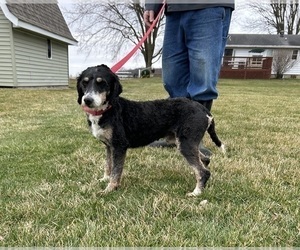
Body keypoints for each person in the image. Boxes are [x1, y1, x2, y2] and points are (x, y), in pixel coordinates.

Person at [143, 0, 234, 156]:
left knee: (203, 78)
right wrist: (152, 3)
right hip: (174, 9)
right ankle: (173, 136)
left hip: (210, 7)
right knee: (172, 77)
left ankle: (193, 139)